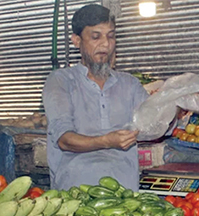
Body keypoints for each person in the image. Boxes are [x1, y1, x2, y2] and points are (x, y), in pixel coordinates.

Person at [43, 4, 149, 191]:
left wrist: (185, 97)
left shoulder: (130, 84)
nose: (106, 44)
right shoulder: (61, 81)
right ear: (77, 41)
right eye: (95, 37)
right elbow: (64, 140)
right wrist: (107, 140)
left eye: (111, 36)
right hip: (75, 197)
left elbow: (155, 121)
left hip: (125, 196)